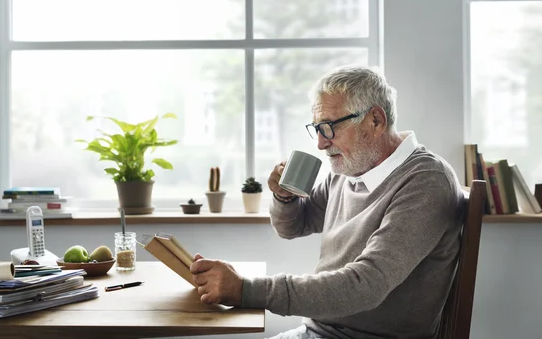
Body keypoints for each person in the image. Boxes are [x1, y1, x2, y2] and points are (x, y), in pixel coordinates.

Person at [190, 65, 463, 339]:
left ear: (376, 120)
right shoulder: (351, 169)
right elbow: (293, 226)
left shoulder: (426, 181)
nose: (321, 144)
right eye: (317, 129)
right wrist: (284, 196)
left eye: (330, 127)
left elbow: (365, 286)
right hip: (321, 331)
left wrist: (245, 290)